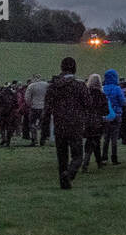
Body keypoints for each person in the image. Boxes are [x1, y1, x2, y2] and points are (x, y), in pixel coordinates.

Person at [41, 57, 90, 189]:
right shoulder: (79, 86)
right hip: (75, 124)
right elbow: (88, 104)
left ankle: (64, 183)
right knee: (77, 155)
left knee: (62, 156)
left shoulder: (53, 87)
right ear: (74, 68)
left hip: (59, 124)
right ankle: (69, 174)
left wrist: (44, 129)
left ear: (61, 68)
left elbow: (46, 109)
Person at [100, 69, 126, 164]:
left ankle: (104, 158)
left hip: (106, 115)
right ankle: (114, 158)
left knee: (106, 137)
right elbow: (123, 102)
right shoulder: (117, 88)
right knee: (114, 138)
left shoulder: (103, 88)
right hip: (117, 114)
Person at [81, 74, 107, 171]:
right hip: (97, 121)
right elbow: (106, 111)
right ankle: (89, 162)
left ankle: (94, 162)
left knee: (91, 141)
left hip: (87, 120)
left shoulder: (86, 94)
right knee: (95, 141)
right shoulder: (101, 95)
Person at [25, 74, 49, 146]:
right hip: (44, 107)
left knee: (32, 124)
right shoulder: (46, 85)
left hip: (34, 107)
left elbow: (27, 97)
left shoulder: (31, 86)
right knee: (43, 124)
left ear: (34, 78)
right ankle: (43, 139)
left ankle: (34, 140)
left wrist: (30, 104)